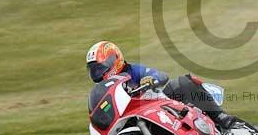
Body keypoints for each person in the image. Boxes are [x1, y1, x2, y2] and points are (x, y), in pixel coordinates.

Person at [85, 40, 237, 129]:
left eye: (100, 67)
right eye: (95, 70)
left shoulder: (132, 70)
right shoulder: (105, 90)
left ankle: (219, 116)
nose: (99, 73)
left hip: (160, 105)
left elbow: (160, 75)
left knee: (182, 82)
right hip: (138, 120)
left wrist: (150, 79)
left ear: (115, 59)